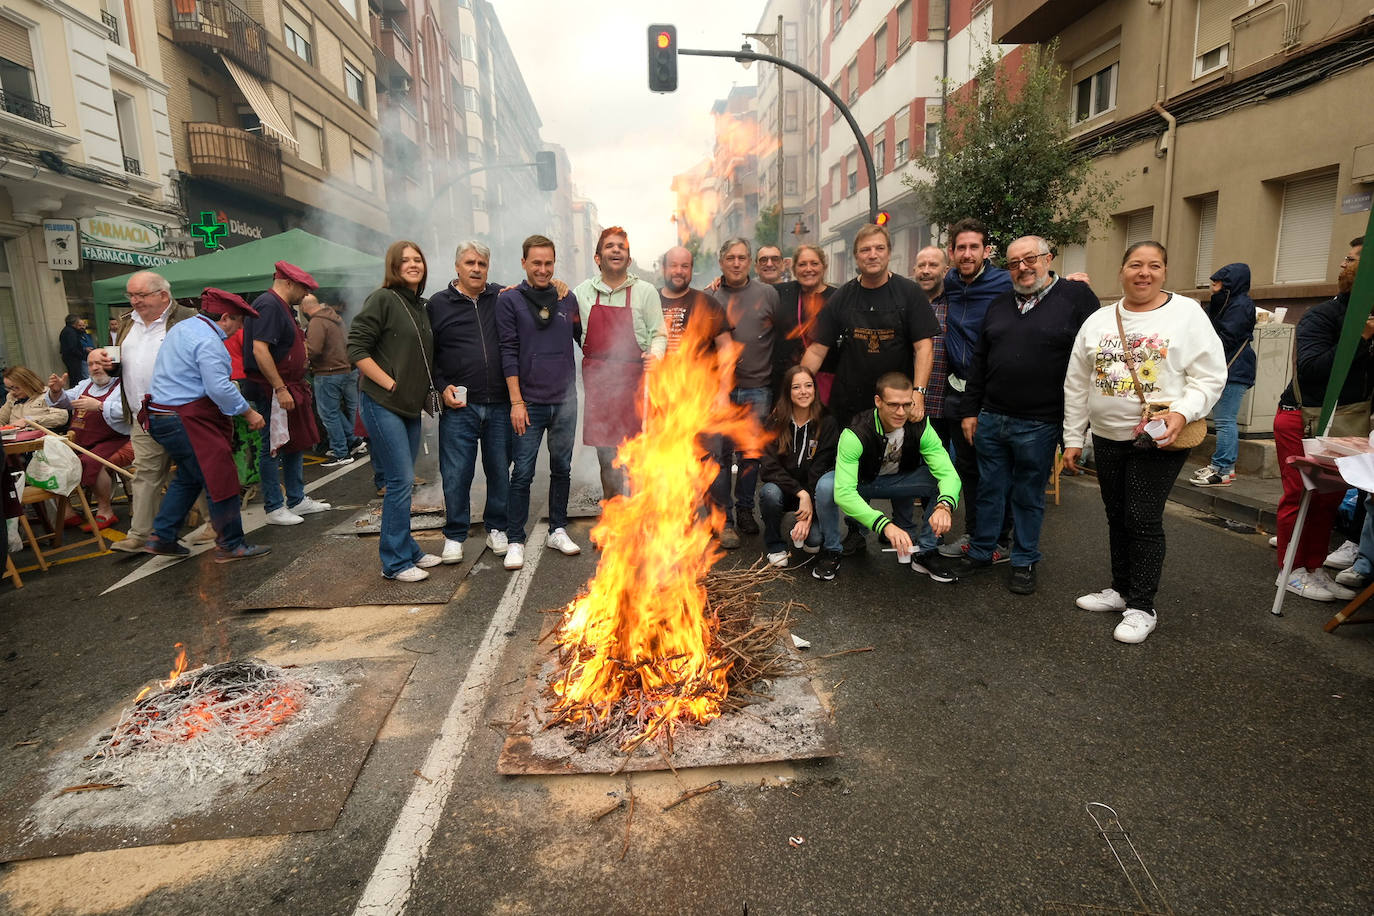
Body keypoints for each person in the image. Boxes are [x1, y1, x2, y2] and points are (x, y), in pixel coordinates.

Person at [1063, 241, 1225, 644]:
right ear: (1122, 271)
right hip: (1106, 434)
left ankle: (1142, 606)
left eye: (1154, 266)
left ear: (1165, 272)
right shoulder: (1099, 320)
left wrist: (1181, 412)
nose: (1144, 273)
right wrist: (1072, 437)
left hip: (1160, 437)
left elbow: (1209, 376)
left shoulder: (1186, 314)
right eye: (1136, 265)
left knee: (1142, 517)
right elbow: (1077, 383)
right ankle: (1120, 590)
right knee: (1116, 513)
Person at [949, 236, 1100, 594]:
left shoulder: (1076, 298)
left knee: (1028, 494)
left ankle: (1024, 559)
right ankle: (985, 550)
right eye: (1014, 262)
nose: (1023, 267)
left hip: (1040, 421)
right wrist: (971, 410)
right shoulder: (1001, 303)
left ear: (1048, 258)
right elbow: (980, 361)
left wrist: (1075, 430)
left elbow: (1092, 360)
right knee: (989, 489)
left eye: (1030, 259)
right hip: (991, 416)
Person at [801, 223, 940, 556]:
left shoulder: (909, 293)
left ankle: (903, 529)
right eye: (865, 250)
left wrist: (918, 392)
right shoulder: (843, 297)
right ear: (855, 256)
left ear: (889, 252)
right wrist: (798, 386)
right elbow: (818, 348)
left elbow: (924, 347)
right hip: (851, 401)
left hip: (897, 403)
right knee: (857, 470)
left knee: (904, 462)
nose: (872, 255)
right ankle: (856, 530)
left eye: (879, 248)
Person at [140, 288, 270, 562]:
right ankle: (231, 544)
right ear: (225, 317)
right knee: (220, 478)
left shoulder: (182, 328)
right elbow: (219, 388)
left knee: (189, 475)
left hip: (163, 416)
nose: (238, 329)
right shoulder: (209, 341)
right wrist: (248, 413)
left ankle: (162, 536)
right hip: (186, 418)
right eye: (238, 322)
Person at [1270, 237, 1367, 602]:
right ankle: (1290, 569)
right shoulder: (1323, 315)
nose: (1347, 265)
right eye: (1349, 259)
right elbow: (1310, 370)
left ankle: (1312, 567)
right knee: (1300, 494)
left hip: (1348, 424)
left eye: (1354, 259)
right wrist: (1360, 339)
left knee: (1329, 498)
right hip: (1303, 419)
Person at [348, 240, 443, 583]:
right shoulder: (383, 298)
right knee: (400, 480)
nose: (413, 264)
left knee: (405, 480)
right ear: (393, 266)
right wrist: (389, 383)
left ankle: (409, 548)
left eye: (418, 258)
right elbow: (355, 347)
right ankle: (394, 562)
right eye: (405, 260)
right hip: (382, 403)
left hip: (409, 407)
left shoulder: (419, 305)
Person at [816, 372, 960, 581]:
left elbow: (948, 472)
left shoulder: (921, 425)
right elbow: (845, 493)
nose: (901, 412)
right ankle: (832, 550)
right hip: (862, 483)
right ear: (878, 402)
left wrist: (945, 505)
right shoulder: (856, 432)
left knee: (943, 484)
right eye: (893, 404)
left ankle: (926, 552)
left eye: (906, 404)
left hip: (900, 482)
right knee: (826, 487)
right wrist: (884, 525)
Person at [497, 234, 583, 570]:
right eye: (536, 263)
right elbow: (507, 351)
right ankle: (515, 539)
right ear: (524, 263)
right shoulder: (510, 300)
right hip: (529, 403)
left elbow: (586, 339)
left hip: (565, 401)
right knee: (523, 473)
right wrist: (516, 401)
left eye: (548, 263)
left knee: (562, 469)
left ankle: (557, 529)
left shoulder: (567, 298)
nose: (543, 269)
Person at [427, 241, 513, 565]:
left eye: (482, 263)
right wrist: (439, 386)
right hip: (459, 406)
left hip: (500, 403)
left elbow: (533, 295)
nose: (476, 268)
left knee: (499, 471)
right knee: (456, 473)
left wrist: (558, 286)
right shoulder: (438, 304)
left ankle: (497, 528)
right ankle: (454, 535)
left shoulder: (502, 297)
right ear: (457, 267)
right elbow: (428, 356)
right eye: (470, 263)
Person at [572, 227, 666, 500]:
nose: (616, 250)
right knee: (607, 456)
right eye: (610, 246)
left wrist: (656, 355)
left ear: (628, 257)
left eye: (621, 247)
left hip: (634, 381)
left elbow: (658, 334)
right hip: (599, 382)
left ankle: (636, 516)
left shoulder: (645, 292)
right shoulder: (580, 293)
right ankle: (614, 516)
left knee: (635, 455)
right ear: (597, 257)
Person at [940, 218, 1014, 558]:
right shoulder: (950, 281)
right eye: (961, 248)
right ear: (951, 252)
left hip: (992, 391)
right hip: (958, 391)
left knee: (995, 468)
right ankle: (973, 533)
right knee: (967, 468)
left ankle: (1000, 539)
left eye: (974, 247)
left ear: (986, 251)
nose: (967, 254)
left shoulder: (1005, 281)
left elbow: (1043, 291)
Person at [109, 271, 198, 553]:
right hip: (141, 414)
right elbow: (123, 364)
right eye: (131, 295)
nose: (134, 301)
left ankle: (212, 523)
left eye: (141, 295)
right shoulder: (127, 323)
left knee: (196, 468)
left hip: (182, 413)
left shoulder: (188, 318)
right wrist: (110, 365)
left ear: (163, 294)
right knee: (146, 474)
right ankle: (139, 534)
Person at [243, 261, 328, 526]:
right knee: (273, 446)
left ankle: (296, 498)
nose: (305, 295)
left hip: (290, 384)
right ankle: (274, 506)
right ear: (288, 283)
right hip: (273, 389)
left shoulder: (283, 307)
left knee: (295, 442)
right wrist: (280, 388)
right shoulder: (268, 305)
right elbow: (260, 349)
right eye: (303, 288)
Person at [710, 237, 781, 541]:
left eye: (742, 257)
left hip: (758, 388)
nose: (736, 263)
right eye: (730, 258)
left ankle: (745, 510)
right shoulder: (709, 297)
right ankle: (723, 517)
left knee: (750, 456)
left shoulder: (768, 294)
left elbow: (780, 337)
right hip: (720, 393)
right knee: (721, 456)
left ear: (749, 261)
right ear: (721, 262)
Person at [758, 365, 840, 568]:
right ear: (787, 392)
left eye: (808, 385)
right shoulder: (776, 421)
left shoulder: (827, 422)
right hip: (784, 490)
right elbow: (768, 466)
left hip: (813, 492)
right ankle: (775, 544)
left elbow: (821, 467)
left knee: (813, 542)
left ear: (815, 389)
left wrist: (808, 505)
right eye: (796, 387)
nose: (803, 392)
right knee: (769, 493)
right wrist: (800, 493)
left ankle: (804, 525)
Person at [44, 351, 133, 527]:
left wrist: (100, 406)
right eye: (91, 364)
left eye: (100, 363)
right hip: (80, 440)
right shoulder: (85, 384)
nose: (95, 367)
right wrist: (57, 392)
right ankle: (67, 511)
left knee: (89, 461)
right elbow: (64, 401)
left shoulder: (124, 384)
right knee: (53, 459)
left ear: (113, 364)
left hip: (113, 439)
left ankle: (105, 510)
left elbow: (130, 411)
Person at [1189, 263, 1257, 488]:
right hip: (1230, 368)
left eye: (1217, 283)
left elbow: (1224, 339)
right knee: (1224, 420)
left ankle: (1223, 469)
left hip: (1234, 369)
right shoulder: (1228, 303)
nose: (1213, 288)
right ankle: (1224, 466)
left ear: (1229, 284)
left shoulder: (1240, 305)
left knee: (1225, 420)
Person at [303, 293, 365, 467]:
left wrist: (303, 351)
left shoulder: (316, 321)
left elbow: (314, 349)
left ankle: (341, 453)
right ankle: (353, 440)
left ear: (303, 307)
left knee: (328, 414)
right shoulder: (335, 318)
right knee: (338, 410)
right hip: (345, 369)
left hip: (327, 372)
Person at [771, 244, 836, 403]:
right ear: (793, 269)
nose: (808, 269)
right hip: (785, 382)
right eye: (802, 264)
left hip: (825, 382)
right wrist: (721, 281)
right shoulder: (780, 292)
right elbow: (750, 290)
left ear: (824, 266)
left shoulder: (837, 297)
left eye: (814, 263)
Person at [913, 245, 955, 454]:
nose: (926, 270)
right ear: (914, 270)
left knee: (942, 469)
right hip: (906, 406)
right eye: (921, 265)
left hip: (943, 407)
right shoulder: (906, 302)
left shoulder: (956, 303)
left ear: (946, 270)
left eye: (933, 265)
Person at [1, 367, 68, 429]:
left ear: (28, 383)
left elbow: (62, 417)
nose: (12, 392)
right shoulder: (12, 398)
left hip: (39, 437)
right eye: (8, 388)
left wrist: (29, 421)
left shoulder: (48, 395)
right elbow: (1, 418)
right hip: (15, 439)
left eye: (16, 388)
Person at [58, 314, 93, 382]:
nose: (81, 327)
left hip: (73, 357)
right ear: (74, 323)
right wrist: (82, 355)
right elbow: (73, 347)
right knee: (77, 378)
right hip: (73, 358)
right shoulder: (70, 332)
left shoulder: (70, 331)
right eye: (79, 324)